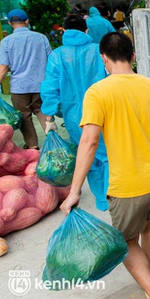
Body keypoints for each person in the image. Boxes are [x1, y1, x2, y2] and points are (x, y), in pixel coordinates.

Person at [60, 32, 150, 299]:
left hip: (130, 184)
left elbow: (88, 142)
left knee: (125, 240)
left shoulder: (98, 92)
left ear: (104, 58)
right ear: (133, 56)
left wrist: (74, 190)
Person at [40, 14, 110, 211]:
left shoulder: (57, 55)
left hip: (73, 117)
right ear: (86, 30)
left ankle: (102, 201)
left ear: (63, 31)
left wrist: (49, 117)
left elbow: (50, 88)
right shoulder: (99, 51)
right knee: (108, 156)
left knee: (88, 157)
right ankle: (112, 199)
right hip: (103, 112)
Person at [0, 9, 52, 149]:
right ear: (27, 21)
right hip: (41, 84)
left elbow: (3, 66)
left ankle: (32, 146)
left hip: (19, 87)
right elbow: (51, 61)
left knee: (24, 115)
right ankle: (53, 140)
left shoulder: (6, 42)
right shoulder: (41, 38)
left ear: (10, 23)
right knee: (43, 111)